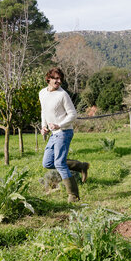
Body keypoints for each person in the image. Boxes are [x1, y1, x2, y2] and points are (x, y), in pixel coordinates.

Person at [40, 67, 89, 202]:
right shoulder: (42, 93)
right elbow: (43, 111)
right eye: (56, 78)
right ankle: (80, 166)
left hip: (64, 131)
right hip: (53, 133)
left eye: (60, 79)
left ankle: (73, 195)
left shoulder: (63, 95)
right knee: (48, 162)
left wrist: (59, 125)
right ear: (48, 78)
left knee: (60, 163)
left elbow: (73, 114)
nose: (59, 81)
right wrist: (43, 126)